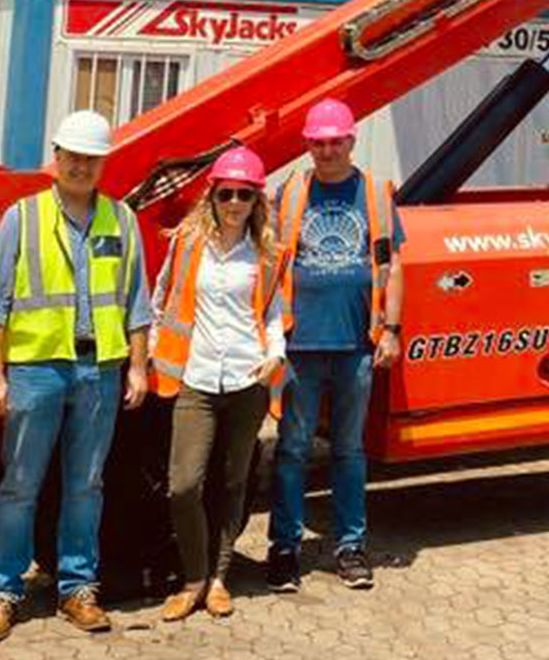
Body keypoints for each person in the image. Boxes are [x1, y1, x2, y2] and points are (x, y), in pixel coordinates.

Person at [0, 110, 153, 643]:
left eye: (90, 158)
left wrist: (138, 366)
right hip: (36, 369)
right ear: (56, 157)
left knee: (86, 486)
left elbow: (135, 301)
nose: (80, 166)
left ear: (102, 164)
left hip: (100, 369)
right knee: (19, 485)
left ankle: (78, 588)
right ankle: (4, 593)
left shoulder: (120, 220)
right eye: (72, 156)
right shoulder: (22, 219)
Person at [266, 98, 405, 592]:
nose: (326, 151)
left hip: (355, 346)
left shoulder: (374, 193)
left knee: (348, 449)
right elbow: (266, 257)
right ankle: (283, 547)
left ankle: (349, 547)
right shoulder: (289, 192)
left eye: (335, 142)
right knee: (293, 449)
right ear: (308, 145)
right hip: (299, 343)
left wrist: (391, 329)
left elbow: (393, 266)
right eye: (318, 143)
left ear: (351, 141)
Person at [149, 147, 287, 621]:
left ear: (256, 201)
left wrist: (275, 353)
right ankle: (193, 578)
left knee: (233, 482)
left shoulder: (267, 253)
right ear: (212, 196)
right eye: (225, 193)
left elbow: (272, 311)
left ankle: (220, 578)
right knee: (184, 485)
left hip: (248, 380)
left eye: (243, 194)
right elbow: (161, 297)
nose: (233, 202)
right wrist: (151, 351)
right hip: (197, 380)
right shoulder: (188, 244)